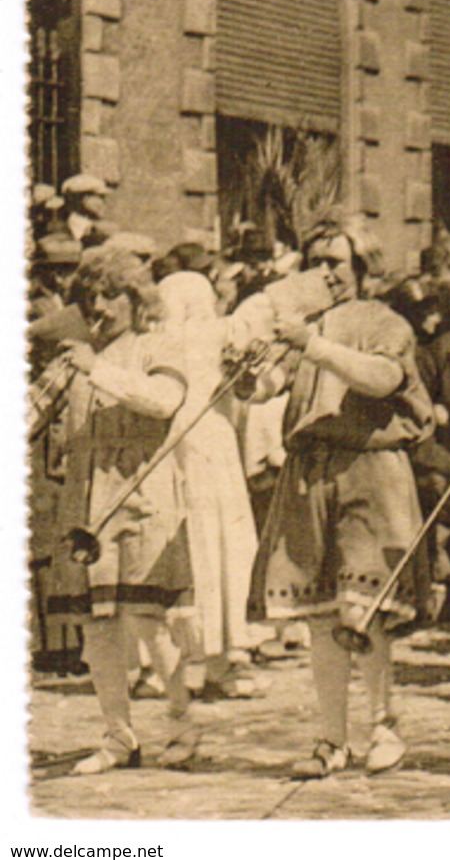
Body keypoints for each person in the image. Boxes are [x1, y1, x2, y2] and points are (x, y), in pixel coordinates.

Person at [247, 214, 436, 779]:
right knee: (317, 611)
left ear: (363, 267)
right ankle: (331, 738)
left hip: (370, 469)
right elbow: (266, 386)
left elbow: (382, 379)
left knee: (365, 606)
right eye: (316, 261)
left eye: (335, 261)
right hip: (310, 470)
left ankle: (384, 725)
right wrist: (245, 372)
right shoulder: (306, 321)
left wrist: (315, 345)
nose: (324, 272)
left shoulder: (385, 321)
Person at [43, 246, 201, 773]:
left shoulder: (157, 345)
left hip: (140, 496)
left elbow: (162, 401)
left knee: (148, 618)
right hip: (86, 499)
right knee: (95, 625)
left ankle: (182, 728)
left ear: (136, 299)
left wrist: (97, 370)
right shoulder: (80, 354)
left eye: (111, 294)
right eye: (90, 297)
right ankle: (119, 737)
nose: (100, 306)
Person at [154, 271, 268, 700]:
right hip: (209, 447)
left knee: (198, 548)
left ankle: (191, 660)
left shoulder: (160, 342)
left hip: (182, 444)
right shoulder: (218, 335)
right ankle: (219, 656)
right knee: (219, 547)